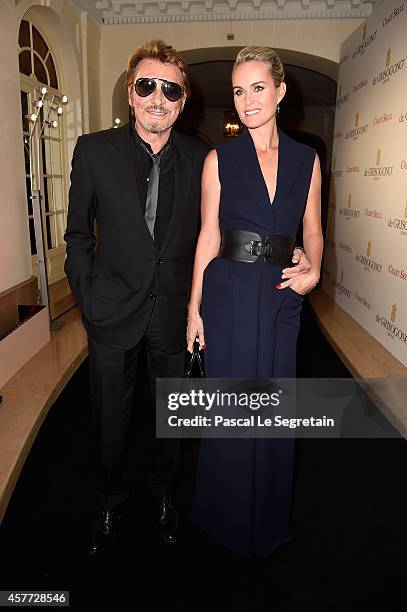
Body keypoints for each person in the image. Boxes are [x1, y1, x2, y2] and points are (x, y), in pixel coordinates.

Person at [65, 39, 311, 556]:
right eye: (147, 86)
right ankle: (108, 501)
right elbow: (77, 237)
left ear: (182, 100)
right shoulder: (93, 151)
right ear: (130, 94)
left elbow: (215, 234)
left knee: (172, 417)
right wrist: (88, 298)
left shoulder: (206, 156)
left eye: (170, 89)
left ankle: (162, 496)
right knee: (110, 417)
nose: (158, 97)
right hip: (112, 312)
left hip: (177, 313)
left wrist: (299, 260)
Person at [187, 46, 323, 558]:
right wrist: (194, 310)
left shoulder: (307, 161)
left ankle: (266, 520)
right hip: (229, 294)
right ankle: (222, 516)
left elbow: (313, 231)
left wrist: (315, 269)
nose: (247, 100)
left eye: (258, 88)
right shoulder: (218, 159)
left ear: (281, 91)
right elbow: (206, 237)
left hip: (283, 295)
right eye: (239, 91)